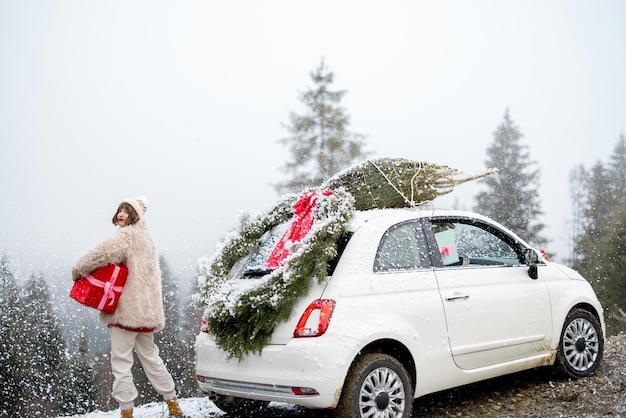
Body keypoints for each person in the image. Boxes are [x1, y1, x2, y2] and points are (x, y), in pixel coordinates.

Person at [71, 196, 184, 418]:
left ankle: (126, 412)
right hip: (145, 314)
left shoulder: (126, 236)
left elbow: (100, 253)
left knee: (121, 362)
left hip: (125, 313)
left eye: (126, 211)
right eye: (119, 210)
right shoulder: (147, 238)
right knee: (152, 359)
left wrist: (77, 269)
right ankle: (173, 403)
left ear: (135, 216)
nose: (121, 214)